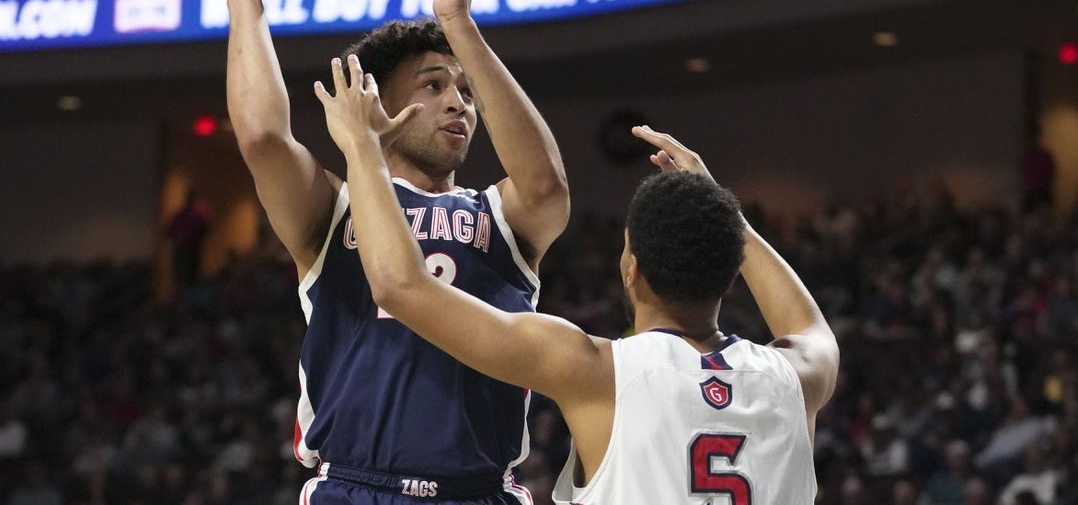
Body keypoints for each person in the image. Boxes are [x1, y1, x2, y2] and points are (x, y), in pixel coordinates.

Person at [313, 51, 839, 505]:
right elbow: (813, 328)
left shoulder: (594, 370)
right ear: (730, 273)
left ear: (629, 271)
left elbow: (400, 287)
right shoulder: (797, 377)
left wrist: (362, 147)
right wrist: (724, 214)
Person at [210, 0, 570, 504]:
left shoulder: (500, 217)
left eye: (464, 91)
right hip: (355, 486)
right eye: (433, 86)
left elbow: (547, 186)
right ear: (376, 102)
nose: (459, 103)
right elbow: (263, 138)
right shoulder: (335, 208)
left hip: (478, 490)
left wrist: (459, 25)